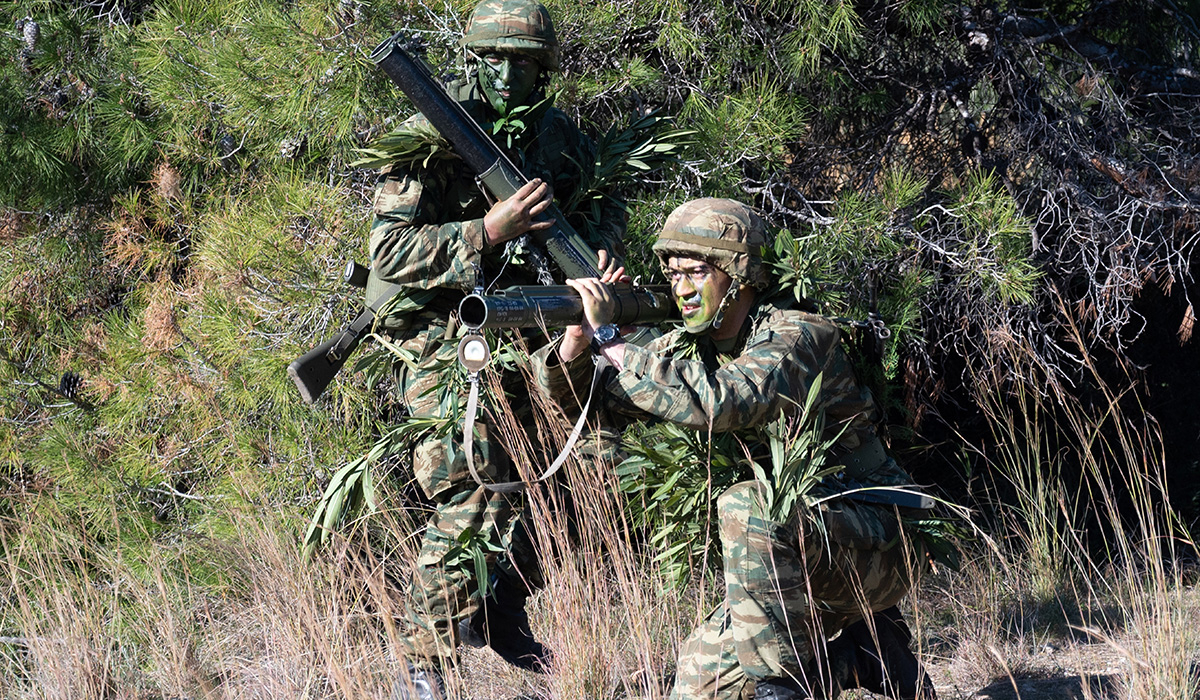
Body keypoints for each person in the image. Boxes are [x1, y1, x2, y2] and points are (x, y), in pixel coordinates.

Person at [531, 198, 936, 699]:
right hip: (785, 559)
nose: (681, 288)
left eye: (697, 271)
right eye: (675, 273)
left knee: (747, 504)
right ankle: (855, 657)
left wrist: (614, 338)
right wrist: (576, 340)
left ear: (739, 274)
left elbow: (720, 402)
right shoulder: (687, 346)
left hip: (879, 538)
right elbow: (591, 407)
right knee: (697, 688)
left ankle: (784, 688)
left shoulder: (798, 335)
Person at [365, 1, 625, 696]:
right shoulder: (430, 138)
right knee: (472, 489)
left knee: (583, 483)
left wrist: (602, 251)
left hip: (537, 333)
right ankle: (429, 665)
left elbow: (602, 213)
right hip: (443, 336)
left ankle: (504, 606)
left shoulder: (561, 139)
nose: (507, 75)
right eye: (494, 60)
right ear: (471, 60)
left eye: (523, 62)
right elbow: (388, 250)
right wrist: (487, 229)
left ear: (546, 69)